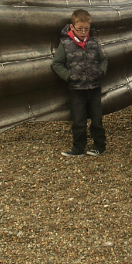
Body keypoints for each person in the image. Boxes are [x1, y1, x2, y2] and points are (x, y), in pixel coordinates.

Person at [52, 9, 108, 157]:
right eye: (80, 29)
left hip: (94, 88)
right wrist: (68, 76)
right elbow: (57, 63)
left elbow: (103, 60)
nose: (83, 32)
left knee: (97, 120)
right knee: (78, 122)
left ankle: (99, 146)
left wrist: (101, 72)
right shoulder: (65, 44)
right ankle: (78, 149)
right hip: (76, 89)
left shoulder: (94, 42)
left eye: (86, 29)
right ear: (72, 27)